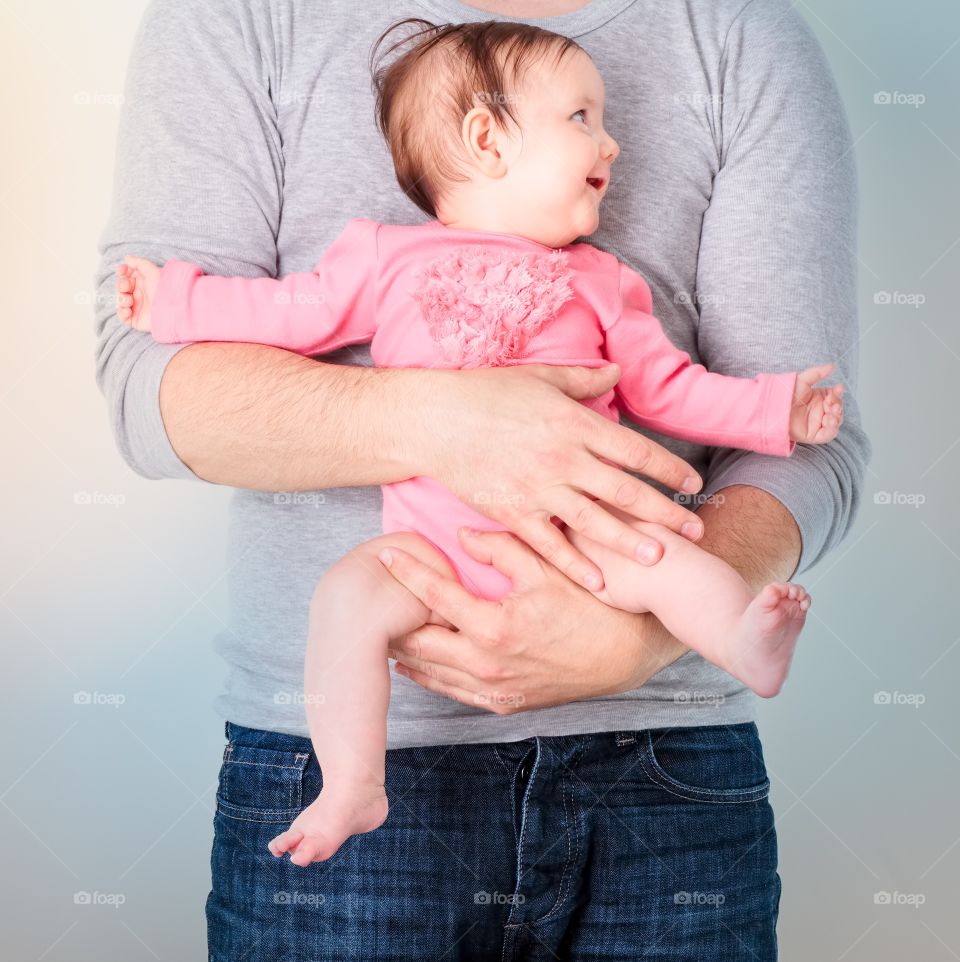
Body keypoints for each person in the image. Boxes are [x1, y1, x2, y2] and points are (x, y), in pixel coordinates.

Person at [94, 0, 871, 957]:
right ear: (484, 138)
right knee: (347, 601)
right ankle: (352, 780)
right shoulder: (377, 255)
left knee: (660, 562)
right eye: (584, 118)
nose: (613, 143)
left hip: (612, 624)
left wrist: (777, 411)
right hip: (422, 564)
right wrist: (174, 297)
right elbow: (278, 315)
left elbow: (679, 390)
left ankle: (742, 641)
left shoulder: (605, 277)